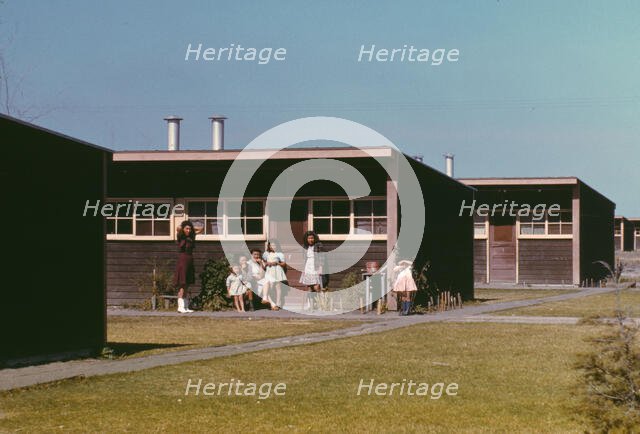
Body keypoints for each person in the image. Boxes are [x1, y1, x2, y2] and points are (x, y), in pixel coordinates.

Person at [299, 231, 326, 310]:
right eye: (309, 238)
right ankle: (310, 305)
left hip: (315, 266)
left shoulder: (318, 246)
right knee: (309, 287)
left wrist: (321, 267)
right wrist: (303, 269)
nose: (310, 240)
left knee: (317, 287)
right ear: (306, 239)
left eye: (312, 238)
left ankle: (321, 305)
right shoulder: (305, 247)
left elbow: (322, 257)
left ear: (314, 238)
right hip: (308, 267)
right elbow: (304, 259)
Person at [174, 220, 197, 313]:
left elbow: (201, 229)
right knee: (182, 283)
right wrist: (184, 227)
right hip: (183, 259)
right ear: (183, 229)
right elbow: (178, 228)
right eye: (187, 228)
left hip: (189, 259)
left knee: (187, 283)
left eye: (190, 229)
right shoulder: (180, 236)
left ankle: (186, 306)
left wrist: (191, 228)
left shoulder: (191, 237)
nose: (189, 230)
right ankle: (180, 307)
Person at [262, 240, 286, 310]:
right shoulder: (266, 253)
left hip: (277, 270)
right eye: (271, 245)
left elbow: (284, 264)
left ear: (277, 246)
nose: (273, 247)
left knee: (278, 288)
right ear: (269, 246)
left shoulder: (280, 254)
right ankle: (272, 303)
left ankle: (278, 304)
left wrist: (277, 263)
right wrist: (267, 263)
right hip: (269, 271)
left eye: (274, 245)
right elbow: (263, 262)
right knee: (269, 287)